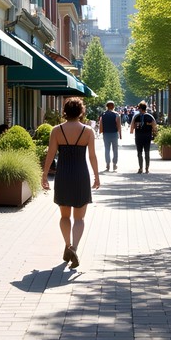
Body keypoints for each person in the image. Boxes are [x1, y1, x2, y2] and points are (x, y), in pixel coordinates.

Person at [41, 97, 100, 269]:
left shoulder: (56, 130)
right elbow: (92, 156)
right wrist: (97, 176)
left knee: (64, 216)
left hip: (63, 175)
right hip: (81, 175)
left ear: (64, 111)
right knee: (79, 218)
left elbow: (51, 154)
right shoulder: (88, 131)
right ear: (81, 112)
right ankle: (74, 247)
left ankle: (67, 245)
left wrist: (44, 175)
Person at [129, 101, 157, 173]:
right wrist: (155, 133)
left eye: (139, 108)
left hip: (139, 136)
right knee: (147, 152)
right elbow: (154, 126)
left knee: (139, 152)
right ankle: (146, 168)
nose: (138, 109)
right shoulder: (150, 116)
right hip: (147, 136)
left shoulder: (136, 116)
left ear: (141, 109)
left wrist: (132, 130)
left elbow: (132, 126)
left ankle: (141, 168)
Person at [98, 101, 122, 172]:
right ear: (113, 106)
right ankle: (114, 163)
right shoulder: (116, 115)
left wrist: (101, 132)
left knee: (107, 149)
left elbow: (101, 124)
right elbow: (118, 125)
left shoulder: (103, 114)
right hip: (114, 133)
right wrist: (119, 134)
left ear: (107, 106)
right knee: (115, 149)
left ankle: (107, 164)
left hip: (106, 134)